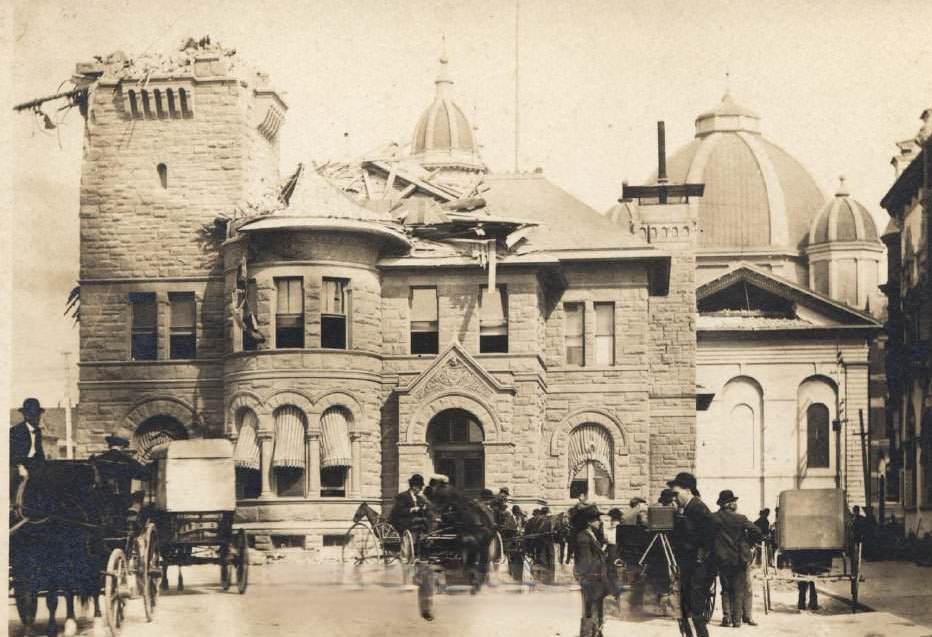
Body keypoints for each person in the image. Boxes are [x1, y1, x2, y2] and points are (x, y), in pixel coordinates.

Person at [667, 471, 715, 637]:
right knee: (687, 607)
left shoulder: (697, 508)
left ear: (687, 490)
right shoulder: (687, 508)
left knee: (694, 609)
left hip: (698, 569)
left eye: (676, 493)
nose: (674, 498)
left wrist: (699, 560)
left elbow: (708, 537)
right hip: (691, 566)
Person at [710, 490, 763, 628]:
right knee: (739, 589)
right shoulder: (741, 518)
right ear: (728, 504)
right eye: (733, 501)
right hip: (739, 558)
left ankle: (726, 618)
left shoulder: (714, 518)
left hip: (722, 559)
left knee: (726, 589)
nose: (735, 504)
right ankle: (737, 620)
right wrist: (749, 545)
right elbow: (757, 531)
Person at [574, 506, 610, 637]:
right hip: (591, 578)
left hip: (597, 577)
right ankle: (588, 634)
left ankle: (596, 632)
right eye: (597, 519)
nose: (599, 522)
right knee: (590, 608)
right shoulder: (583, 537)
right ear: (589, 521)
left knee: (596, 607)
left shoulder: (592, 535)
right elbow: (585, 561)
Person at [389, 474, 430, 546]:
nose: (421, 489)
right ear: (414, 487)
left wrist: (424, 508)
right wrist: (412, 509)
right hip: (401, 521)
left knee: (426, 520)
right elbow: (398, 511)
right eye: (420, 487)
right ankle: (415, 543)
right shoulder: (403, 496)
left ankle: (424, 541)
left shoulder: (419, 498)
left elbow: (422, 509)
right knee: (420, 521)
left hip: (413, 521)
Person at [10, 397, 47, 476]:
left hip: (34, 465)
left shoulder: (38, 431)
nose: (37, 418)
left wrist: (44, 466)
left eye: (38, 414)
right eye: (33, 414)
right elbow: (12, 455)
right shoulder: (15, 431)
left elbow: (40, 453)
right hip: (19, 467)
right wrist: (20, 467)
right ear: (26, 416)